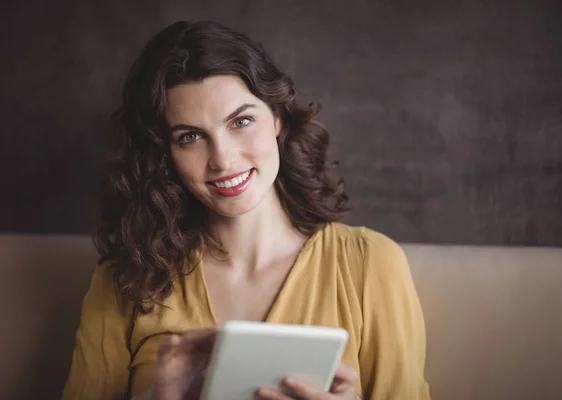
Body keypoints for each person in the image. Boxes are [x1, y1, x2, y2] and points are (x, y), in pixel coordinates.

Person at [61, 20, 430, 400]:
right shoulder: (126, 277)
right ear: (165, 154)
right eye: (190, 136)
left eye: (241, 121)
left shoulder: (370, 265)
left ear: (277, 119)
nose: (222, 160)